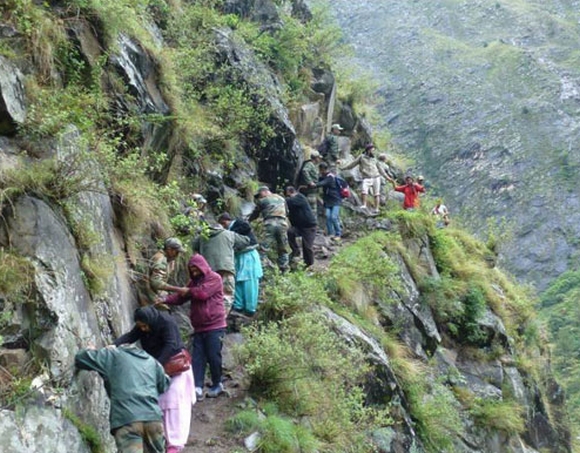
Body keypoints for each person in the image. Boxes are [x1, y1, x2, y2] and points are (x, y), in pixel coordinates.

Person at [114, 307, 195, 453]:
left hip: (175, 368)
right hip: (158, 371)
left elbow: (171, 345)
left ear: (150, 321)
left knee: (175, 404)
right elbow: (130, 336)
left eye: (145, 326)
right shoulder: (144, 326)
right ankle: (161, 439)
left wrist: (156, 364)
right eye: (141, 327)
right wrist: (114, 345)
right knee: (160, 403)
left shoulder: (166, 322)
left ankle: (175, 444)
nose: (143, 330)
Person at [75, 344, 170, 453]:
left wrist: (90, 349)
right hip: (153, 418)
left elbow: (81, 358)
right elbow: (164, 385)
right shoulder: (152, 361)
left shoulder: (113, 355)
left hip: (127, 418)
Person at [160, 254, 227, 399]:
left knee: (213, 356)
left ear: (202, 267)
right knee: (197, 358)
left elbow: (202, 294)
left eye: (196, 269)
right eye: (192, 270)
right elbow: (180, 298)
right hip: (199, 327)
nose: (194, 272)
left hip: (215, 326)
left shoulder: (215, 278)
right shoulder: (193, 282)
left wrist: (187, 291)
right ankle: (197, 387)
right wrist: (165, 300)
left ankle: (217, 384)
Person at [191, 223, 250, 312]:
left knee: (209, 295)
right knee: (227, 295)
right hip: (226, 269)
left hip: (208, 271)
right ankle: (222, 318)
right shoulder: (228, 234)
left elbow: (193, 246)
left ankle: (209, 316)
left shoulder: (202, 237)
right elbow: (246, 241)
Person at [218, 213, 263, 316]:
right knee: (237, 279)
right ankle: (238, 305)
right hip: (238, 256)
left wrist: (231, 232)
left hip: (248, 255)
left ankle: (250, 307)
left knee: (249, 281)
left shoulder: (239, 223)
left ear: (225, 222)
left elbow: (246, 227)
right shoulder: (229, 230)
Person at [339, 143, 389, 214]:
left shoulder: (374, 159)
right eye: (372, 150)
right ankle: (364, 205)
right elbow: (353, 164)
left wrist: (387, 177)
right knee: (364, 190)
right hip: (366, 177)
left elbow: (381, 169)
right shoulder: (361, 157)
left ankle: (376, 208)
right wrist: (344, 168)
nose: (373, 151)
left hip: (376, 177)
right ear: (368, 150)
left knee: (376, 194)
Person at [249, 186, 290, 271]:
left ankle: (262, 268)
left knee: (264, 248)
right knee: (283, 248)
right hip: (282, 223)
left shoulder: (263, 200)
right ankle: (284, 269)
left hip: (269, 224)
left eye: (260, 195)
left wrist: (248, 220)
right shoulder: (281, 199)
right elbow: (287, 212)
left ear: (264, 192)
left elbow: (256, 213)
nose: (259, 197)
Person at [138, 237, 186, 306]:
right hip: (150, 298)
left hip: (152, 295)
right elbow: (156, 283)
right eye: (176, 251)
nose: (177, 254)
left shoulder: (164, 259)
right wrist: (178, 289)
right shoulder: (161, 260)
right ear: (169, 250)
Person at [284, 186, 317, 267]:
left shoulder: (300, 197)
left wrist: (281, 199)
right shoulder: (291, 201)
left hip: (309, 226)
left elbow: (291, 202)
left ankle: (309, 264)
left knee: (307, 246)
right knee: (290, 232)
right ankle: (295, 251)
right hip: (299, 226)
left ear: (290, 192)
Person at [315, 162, 342, 241]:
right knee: (327, 216)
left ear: (323, 169)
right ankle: (331, 233)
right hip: (327, 200)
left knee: (334, 217)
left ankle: (338, 234)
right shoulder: (323, 176)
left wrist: (314, 185)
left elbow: (322, 183)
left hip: (335, 199)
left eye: (320, 170)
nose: (320, 171)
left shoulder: (330, 177)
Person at [297, 147, 322, 216]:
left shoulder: (313, 166)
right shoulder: (309, 164)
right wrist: (310, 182)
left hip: (312, 192)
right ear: (315, 158)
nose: (319, 159)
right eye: (318, 158)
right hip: (309, 192)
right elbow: (305, 171)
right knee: (312, 211)